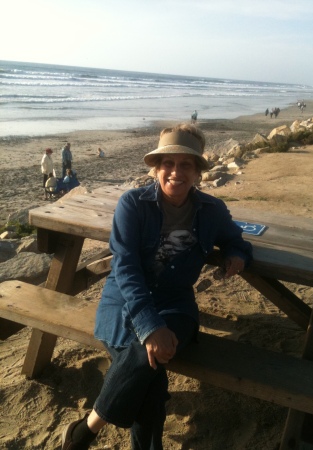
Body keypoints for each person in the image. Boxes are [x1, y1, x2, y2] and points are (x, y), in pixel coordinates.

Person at [61, 123, 253, 450]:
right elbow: (125, 266)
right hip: (125, 302)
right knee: (151, 375)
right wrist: (150, 327)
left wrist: (237, 256)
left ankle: (87, 428)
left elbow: (238, 241)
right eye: (168, 163)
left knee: (145, 362)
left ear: (196, 172)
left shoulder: (212, 211)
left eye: (185, 164)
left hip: (176, 304)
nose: (175, 172)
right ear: (156, 168)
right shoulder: (132, 205)